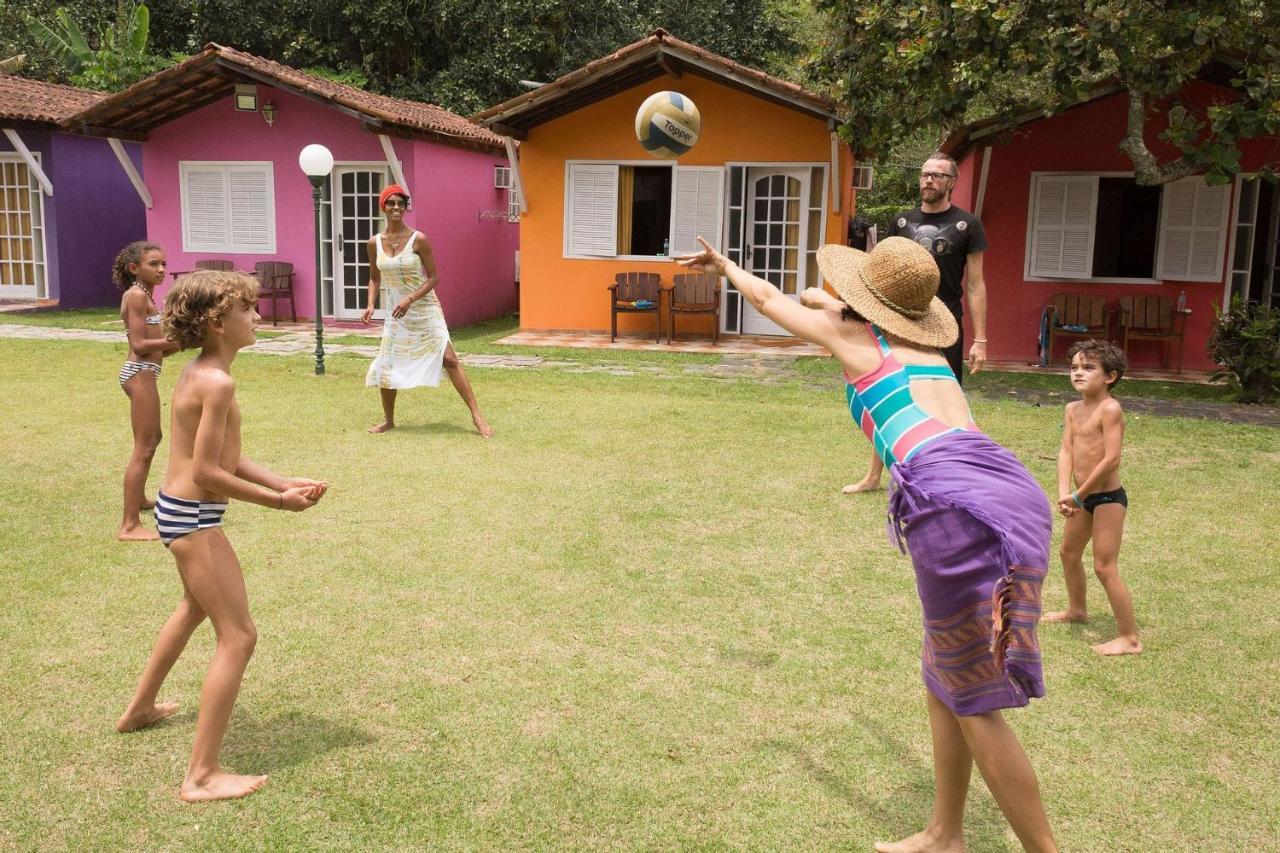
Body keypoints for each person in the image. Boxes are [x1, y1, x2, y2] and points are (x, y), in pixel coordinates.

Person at [678, 235, 1057, 852]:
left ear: (858, 301)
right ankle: (944, 833)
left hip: (955, 507)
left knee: (974, 697)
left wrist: (724, 264)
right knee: (944, 674)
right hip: (1008, 490)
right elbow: (810, 298)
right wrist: (826, 299)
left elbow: (775, 297)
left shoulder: (855, 340)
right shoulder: (927, 350)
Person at [115, 270, 328, 802]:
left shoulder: (198, 371)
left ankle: (139, 709)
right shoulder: (218, 381)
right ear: (217, 322)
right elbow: (208, 473)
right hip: (192, 516)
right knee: (239, 635)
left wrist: (283, 479)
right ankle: (201, 775)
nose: (257, 317)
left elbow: (220, 455)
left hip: (177, 509)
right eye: (248, 309)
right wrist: (279, 503)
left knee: (193, 608)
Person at [843, 152, 989, 495]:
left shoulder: (969, 225)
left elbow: (976, 284)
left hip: (946, 324)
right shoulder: (902, 223)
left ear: (951, 182)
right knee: (890, 394)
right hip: (900, 322)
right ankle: (875, 475)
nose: (928, 180)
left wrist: (980, 339)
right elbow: (881, 273)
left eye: (937, 175)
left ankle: (952, 476)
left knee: (947, 400)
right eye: (924, 173)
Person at [361, 184, 493, 437]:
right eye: (391, 203)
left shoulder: (418, 239)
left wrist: (410, 298)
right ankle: (388, 420)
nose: (396, 207)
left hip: (424, 307)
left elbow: (433, 278)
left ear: (405, 207)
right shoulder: (374, 243)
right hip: (396, 313)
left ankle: (477, 417)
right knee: (387, 363)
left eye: (401, 203)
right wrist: (370, 304)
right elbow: (374, 278)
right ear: (383, 208)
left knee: (450, 359)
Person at [1043, 340, 1141, 656]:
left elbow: (1111, 459)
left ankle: (1130, 638)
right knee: (1069, 553)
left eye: (1088, 368)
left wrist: (1077, 495)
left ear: (1110, 376)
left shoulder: (1110, 408)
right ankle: (1077, 610)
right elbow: (1066, 451)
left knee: (1104, 566)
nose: (1078, 373)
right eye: (1074, 367)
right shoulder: (1072, 409)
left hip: (1107, 498)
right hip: (1080, 499)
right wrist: (1063, 493)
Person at [114, 241, 180, 541]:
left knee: (154, 438)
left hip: (147, 372)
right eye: (154, 264)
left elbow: (160, 350)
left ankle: (139, 500)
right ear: (134, 268)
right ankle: (129, 525)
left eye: (163, 263)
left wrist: (176, 343)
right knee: (144, 446)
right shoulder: (136, 295)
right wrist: (181, 339)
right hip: (139, 374)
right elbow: (140, 346)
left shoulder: (147, 296)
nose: (162, 269)